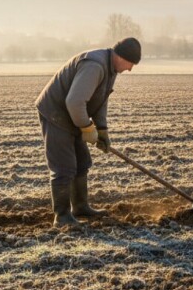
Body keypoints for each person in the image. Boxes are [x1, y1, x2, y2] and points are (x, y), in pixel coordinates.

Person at [35, 37, 141, 227]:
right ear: (121, 57)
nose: (130, 69)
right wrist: (86, 127)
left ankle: (81, 207)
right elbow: (74, 102)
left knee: (82, 162)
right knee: (64, 166)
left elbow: (100, 99)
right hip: (56, 113)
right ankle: (62, 216)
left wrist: (102, 129)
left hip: (72, 114)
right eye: (131, 63)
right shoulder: (95, 66)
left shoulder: (111, 68)